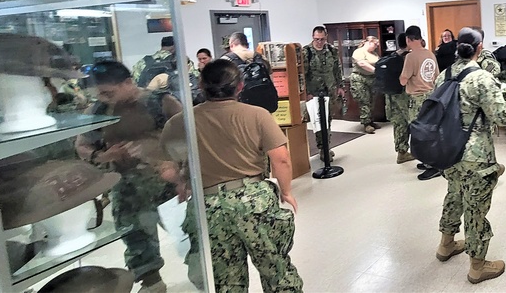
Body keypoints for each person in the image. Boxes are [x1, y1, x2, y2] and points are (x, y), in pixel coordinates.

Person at [161, 59, 303, 292]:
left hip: (208, 207)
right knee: (276, 270)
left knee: (225, 281)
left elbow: (167, 167)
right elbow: (281, 158)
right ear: (240, 86)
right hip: (254, 201)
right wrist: (286, 192)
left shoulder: (180, 122)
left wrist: (182, 183)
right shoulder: (258, 115)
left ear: (200, 84)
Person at [75, 60, 182, 293]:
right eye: (99, 93)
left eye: (109, 92)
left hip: (169, 182)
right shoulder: (97, 112)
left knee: (187, 231)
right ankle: (152, 282)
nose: (104, 98)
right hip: (127, 185)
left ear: (128, 82)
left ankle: (204, 276)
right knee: (136, 238)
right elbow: (81, 145)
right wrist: (104, 156)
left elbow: (190, 136)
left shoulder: (160, 102)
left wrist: (177, 167)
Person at [435, 27, 506, 284]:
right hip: (475, 154)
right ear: (480, 47)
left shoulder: (445, 74)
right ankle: (477, 265)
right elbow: (504, 116)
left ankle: (446, 244)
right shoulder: (481, 77)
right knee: (475, 207)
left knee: (454, 194)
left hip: (449, 149)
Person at [399, 25, 440, 180]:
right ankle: (428, 161)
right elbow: (436, 76)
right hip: (431, 96)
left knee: (420, 133)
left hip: (417, 99)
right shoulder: (430, 53)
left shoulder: (410, 56)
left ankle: (432, 165)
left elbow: (403, 81)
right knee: (429, 130)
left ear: (408, 39)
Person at [303, 25, 344, 154]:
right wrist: (306, 93)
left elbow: (337, 69)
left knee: (327, 120)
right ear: (312, 38)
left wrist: (340, 86)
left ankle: (326, 146)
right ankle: (323, 148)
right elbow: (302, 74)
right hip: (314, 93)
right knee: (318, 121)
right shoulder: (306, 52)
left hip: (329, 91)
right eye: (317, 39)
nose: (319, 42)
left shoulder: (332, 50)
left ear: (326, 37)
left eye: (322, 39)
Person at [386, 33, 416, 164]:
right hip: (404, 94)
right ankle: (411, 151)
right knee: (410, 121)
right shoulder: (408, 57)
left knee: (398, 123)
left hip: (392, 95)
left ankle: (401, 151)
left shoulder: (392, 56)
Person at [131, 36, 197, 85]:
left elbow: (134, 82)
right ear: (174, 47)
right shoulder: (182, 61)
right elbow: (194, 78)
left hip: (150, 100)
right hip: (174, 100)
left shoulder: (142, 62)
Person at [349, 36, 381, 134]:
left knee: (372, 101)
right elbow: (362, 64)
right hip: (360, 79)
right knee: (364, 101)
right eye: (375, 44)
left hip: (371, 80)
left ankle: (371, 121)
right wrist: (376, 71)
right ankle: (366, 123)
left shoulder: (374, 54)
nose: (376, 47)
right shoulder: (359, 52)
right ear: (369, 42)